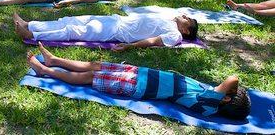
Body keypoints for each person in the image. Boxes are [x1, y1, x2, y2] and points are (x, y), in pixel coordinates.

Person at [26, 42, 250, 120]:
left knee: (89, 77)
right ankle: (54, 59)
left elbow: (233, 78)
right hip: (144, 74)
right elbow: (229, 83)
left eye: (231, 92)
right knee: (96, 65)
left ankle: (46, 71)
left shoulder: (209, 104)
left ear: (226, 97)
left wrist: (235, 92)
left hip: (138, 86)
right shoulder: (211, 99)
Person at [13, 12, 198, 51]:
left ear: (186, 30)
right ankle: (31, 24)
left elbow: (154, 42)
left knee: (74, 31)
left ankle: (33, 35)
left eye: (187, 18)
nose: (183, 15)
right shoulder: (169, 19)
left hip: (116, 31)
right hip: (116, 19)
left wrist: (128, 47)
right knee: (70, 20)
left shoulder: (176, 35)